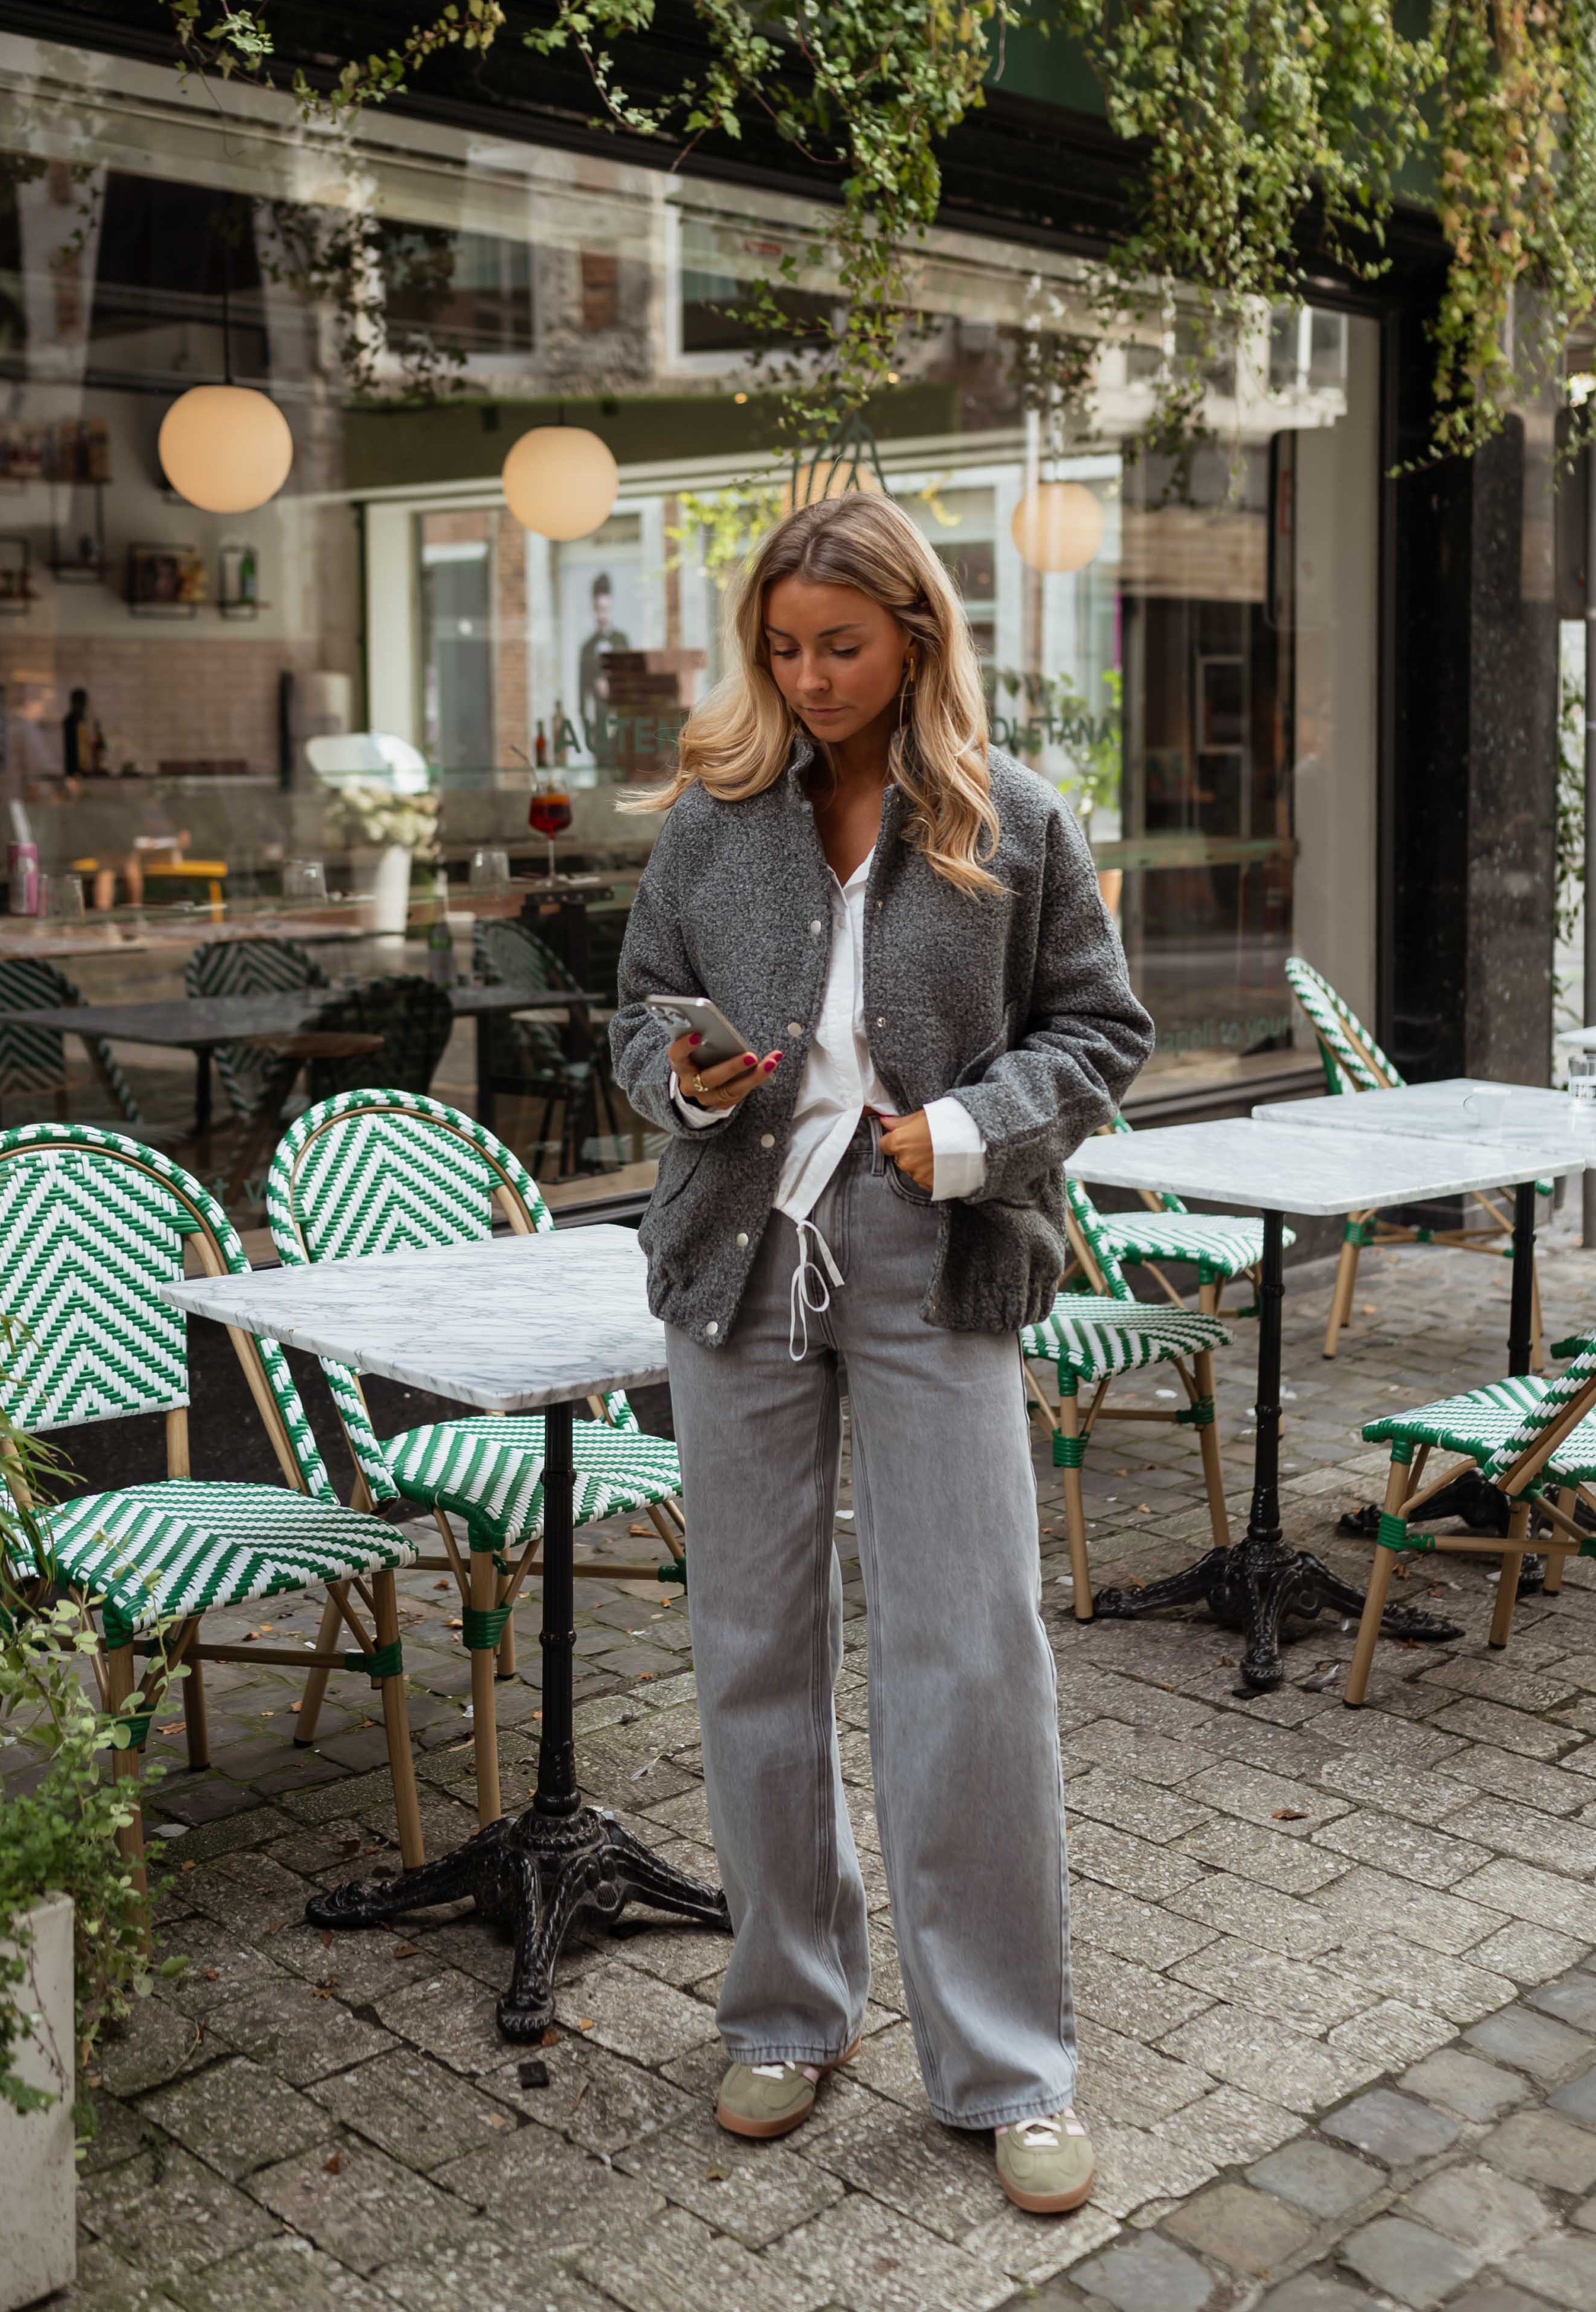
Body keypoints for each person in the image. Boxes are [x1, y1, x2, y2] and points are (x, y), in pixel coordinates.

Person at [610, 493, 1153, 2215]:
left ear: (916, 633)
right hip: (737, 1262)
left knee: (969, 1654)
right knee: (752, 1641)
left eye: (839, 644)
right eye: (782, 647)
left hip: (935, 1256)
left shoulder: (1018, 822)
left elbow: (1102, 1028)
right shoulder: (711, 823)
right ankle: (786, 2004)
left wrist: (978, 1129)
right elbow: (635, 1006)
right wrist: (679, 1073)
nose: (809, 675)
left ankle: (1007, 2063)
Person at [576, 570, 630, 733]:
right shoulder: (587, 647)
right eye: (598, 609)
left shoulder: (622, 641)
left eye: (606, 609)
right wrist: (587, 727)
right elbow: (582, 690)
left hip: (621, 719)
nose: (602, 616)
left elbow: (631, 678)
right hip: (598, 720)